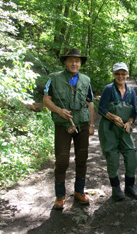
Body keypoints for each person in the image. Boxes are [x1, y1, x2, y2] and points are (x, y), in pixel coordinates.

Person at [43, 48, 95, 209]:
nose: (74, 63)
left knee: (82, 157)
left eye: (77, 61)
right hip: (62, 125)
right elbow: (46, 99)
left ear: (80, 64)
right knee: (62, 159)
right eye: (71, 60)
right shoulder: (54, 78)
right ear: (65, 62)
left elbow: (90, 102)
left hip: (82, 124)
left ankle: (79, 192)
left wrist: (91, 124)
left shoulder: (86, 80)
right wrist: (59, 111)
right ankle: (60, 195)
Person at [98, 62, 137, 201]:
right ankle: (116, 189)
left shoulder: (131, 92)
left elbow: (134, 112)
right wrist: (113, 117)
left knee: (133, 157)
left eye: (123, 73)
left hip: (125, 130)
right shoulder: (108, 89)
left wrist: (129, 122)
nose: (120, 76)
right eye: (117, 73)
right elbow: (101, 108)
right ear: (114, 74)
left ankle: (130, 187)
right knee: (113, 159)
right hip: (109, 129)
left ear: (127, 74)